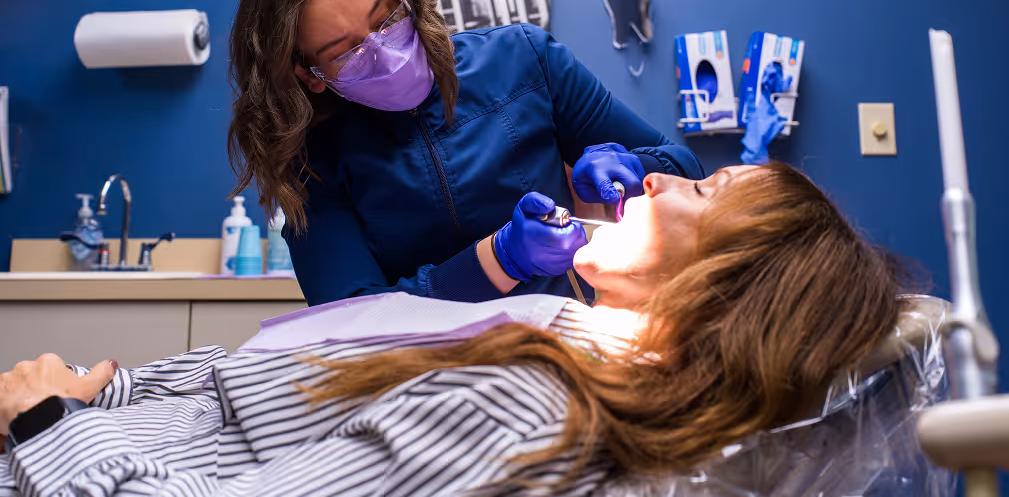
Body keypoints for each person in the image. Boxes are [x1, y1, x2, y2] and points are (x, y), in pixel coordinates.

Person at [0, 164, 913, 497]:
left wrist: (49, 424)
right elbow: (287, 406)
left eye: (706, 190)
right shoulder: (567, 345)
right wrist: (105, 395)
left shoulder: (532, 403)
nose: (658, 180)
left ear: (733, 283)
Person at [227, 0, 704, 306]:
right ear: (310, 75)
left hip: (562, 348)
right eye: (346, 51)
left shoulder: (524, 58)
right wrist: (497, 260)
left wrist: (636, 168)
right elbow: (350, 317)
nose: (384, 52)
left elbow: (687, 170)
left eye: (387, 19)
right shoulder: (312, 159)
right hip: (418, 379)